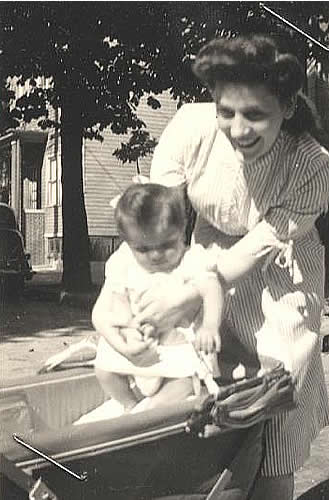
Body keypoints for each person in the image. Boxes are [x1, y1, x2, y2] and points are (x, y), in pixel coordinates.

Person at [125, 35, 329, 500]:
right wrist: (149, 297)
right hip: (201, 260)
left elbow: (254, 252)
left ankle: (274, 487)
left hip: (281, 272)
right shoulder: (188, 129)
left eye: (255, 114)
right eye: (226, 112)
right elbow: (157, 225)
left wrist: (185, 296)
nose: (238, 129)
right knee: (206, 392)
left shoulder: (314, 167)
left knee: (275, 395)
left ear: (289, 106)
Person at [92, 182, 225, 412]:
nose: (155, 255)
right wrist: (126, 335)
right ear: (128, 244)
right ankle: (129, 405)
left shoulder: (190, 260)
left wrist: (210, 327)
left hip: (178, 348)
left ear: (182, 230)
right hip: (140, 346)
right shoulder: (124, 262)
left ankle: (152, 409)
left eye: (166, 245)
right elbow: (116, 302)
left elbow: (211, 287)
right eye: (142, 249)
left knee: (185, 382)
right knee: (104, 370)